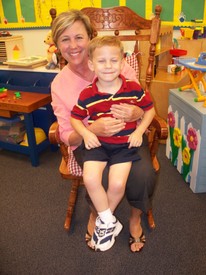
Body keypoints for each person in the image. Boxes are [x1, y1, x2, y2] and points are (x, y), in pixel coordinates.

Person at [51, 9, 157, 253]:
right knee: (99, 175)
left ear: (90, 37)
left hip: (125, 138)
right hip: (90, 144)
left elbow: (143, 104)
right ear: (57, 45)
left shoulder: (117, 67)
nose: (73, 45)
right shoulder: (60, 84)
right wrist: (92, 129)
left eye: (79, 37)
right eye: (65, 39)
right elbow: (66, 133)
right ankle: (99, 216)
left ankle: (132, 218)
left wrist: (137, 114)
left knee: (143, 174)